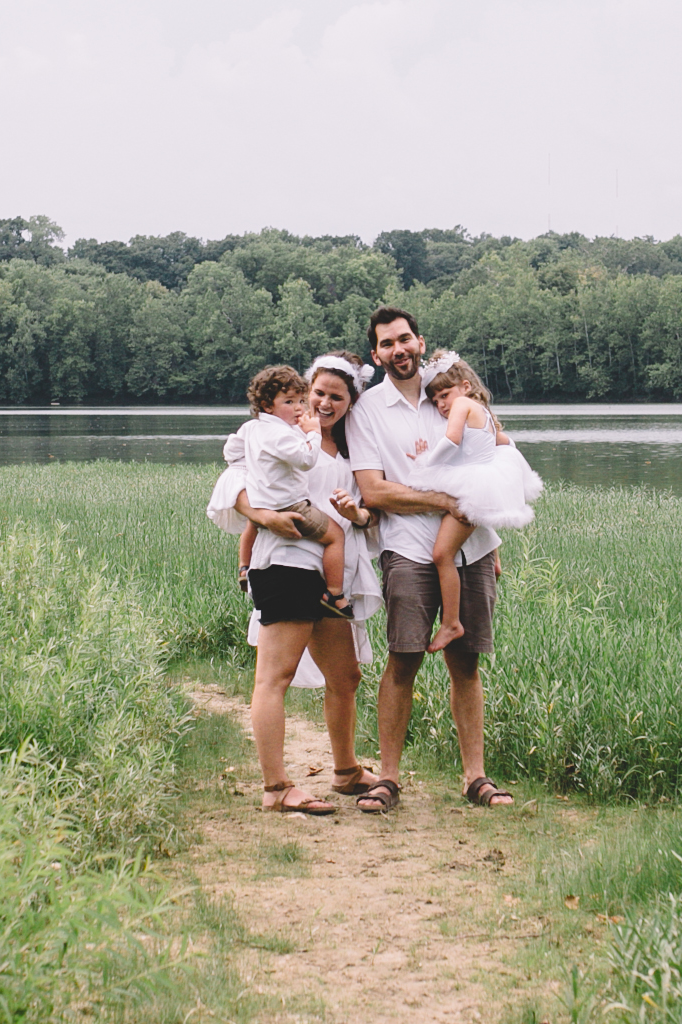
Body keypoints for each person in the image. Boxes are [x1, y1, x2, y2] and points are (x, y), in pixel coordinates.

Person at [347, 306, 518, 812]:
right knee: (403, 659)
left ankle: (475, 778)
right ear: (377, 355)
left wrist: (493, 539)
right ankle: (389, 778)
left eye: (404, 339)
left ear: (420, 342)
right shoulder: (367, 412)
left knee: (466, 664)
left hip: (475, 547)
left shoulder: (450, 392)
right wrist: (443, 501)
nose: (397, 350)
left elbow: (492, 458)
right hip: (408, 548)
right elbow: (374, 491)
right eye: (386, 344)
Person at [206, 355, 379, 813]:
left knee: (345, 676)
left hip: (330, 572)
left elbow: (368, 512)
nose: (321, 403)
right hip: (285, 562)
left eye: (333, 397)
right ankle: (276, 787)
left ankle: (345, 771)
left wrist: (357, 514)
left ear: (349, 403)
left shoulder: (353, 449)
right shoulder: (273, 436)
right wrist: (262, 515)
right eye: (315, 393)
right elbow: (233, 481)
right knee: (274, 677)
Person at [417, 351, 539, 652]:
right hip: (482, 480)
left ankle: (451, 623)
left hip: (473, 484)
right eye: (435, 401)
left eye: (444, 395)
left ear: (466, 386)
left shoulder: (462, 404)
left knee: (442, 555)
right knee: (470, 523)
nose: (442, 404)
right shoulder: (483, 413)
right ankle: (494, 560)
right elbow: (503, 443)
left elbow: (451, 441)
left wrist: (425, 462)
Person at [230, 364, 351, 620]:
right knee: (335, 536)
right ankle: (334, 593)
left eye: (300, 400)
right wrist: (313, 435)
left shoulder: (254, 428)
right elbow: (306, 460)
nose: (299, 407)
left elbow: (231, 451)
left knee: (252, 525)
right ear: (267, 405)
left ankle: (244, 567)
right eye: (290, 401)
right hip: (289, 513)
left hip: (263, 501)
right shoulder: (283, 434)